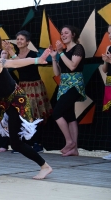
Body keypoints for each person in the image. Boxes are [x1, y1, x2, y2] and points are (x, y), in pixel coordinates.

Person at [0, 29, 52, 181]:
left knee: (16, 143)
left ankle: (45, 167)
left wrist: (37, 60)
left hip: (16, 100)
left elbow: (13, 63)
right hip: (0, 101)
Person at [3, 30, 53, 153]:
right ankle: (21, 144)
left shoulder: (33, 54)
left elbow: (22, 65)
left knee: (36, 114)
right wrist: (8, 53)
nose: (19, 41)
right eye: (17, 39)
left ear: (28, 42)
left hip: (34, 86)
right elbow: (13, 64)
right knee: (20, 114)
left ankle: (37, 143)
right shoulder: (14, 54)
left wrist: (11, 52)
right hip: (22, 86)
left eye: (22, 39)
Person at [49, 25, 86, 157]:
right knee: (70, 116)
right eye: (62, 33)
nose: (63, 35)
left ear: (73, 35)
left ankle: (69, 141)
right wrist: (54, 57)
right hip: (64, 85)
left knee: (57, 113)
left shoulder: (78, 48)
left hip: (75, 85)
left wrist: (60, 53)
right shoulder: (63, 51)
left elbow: (72, 66)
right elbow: (57, 72)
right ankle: (74, 149)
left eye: (66, 33)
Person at [102, 25, 111, 160]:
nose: (110, 35)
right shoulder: (109, 48)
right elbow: (104, 70)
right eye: (109, 33)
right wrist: (105, 61)